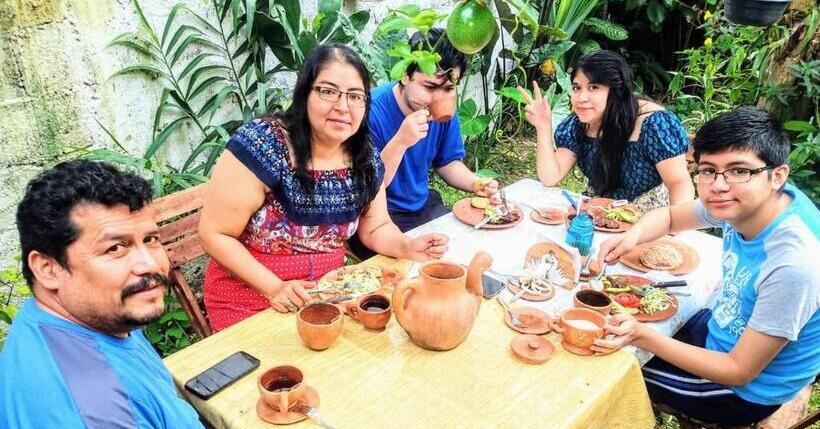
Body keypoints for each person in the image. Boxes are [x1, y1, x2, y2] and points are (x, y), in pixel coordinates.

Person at [0, 160, 343, 429]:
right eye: (115, 248)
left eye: (151, 239)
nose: (150, 264)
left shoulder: (74, 321)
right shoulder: (88, 405)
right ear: (48, 268)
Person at [593, 107, 819, 425]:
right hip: (723, 332)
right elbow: (672, 216)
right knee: (614, 316)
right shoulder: (748, 202)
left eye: (739, 170)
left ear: (776, 176)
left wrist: (643, 336)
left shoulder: (794, 264)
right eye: (708, 170)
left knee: (605, 369)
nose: (718, 185)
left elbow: (738, 370)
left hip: (740, 391)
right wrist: (632, 237)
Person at [199, 44, 448, 332]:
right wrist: (274, 287)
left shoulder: (362, 154)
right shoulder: (264, 145)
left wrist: (406, 245)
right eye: (328, 91)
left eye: (355, 96)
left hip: (331, 295)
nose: (342, 107)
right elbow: (214, 233)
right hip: (252, 297)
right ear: (305, 93)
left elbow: (376, 226)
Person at [361, 28, 498, 236]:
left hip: (422, 205)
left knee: (471, 238)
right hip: (379, 216)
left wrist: (475, 183)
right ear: (405, 76)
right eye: (430, 87)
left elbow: (448, 162)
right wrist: (400, 142)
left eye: (449, 88)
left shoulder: (443, 109)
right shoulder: (369, 113)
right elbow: (367, 189)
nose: (438, 98)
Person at [519, 50, 694, 211]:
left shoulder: (653, 124)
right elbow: (550, 177)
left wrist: (674, 227)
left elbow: (679, 182)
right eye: (576, 88)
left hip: (647, 219)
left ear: (616, 91)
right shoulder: (578, 125)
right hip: (597, 214)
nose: (581, 98)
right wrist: (543, 127)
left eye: (594, 87)